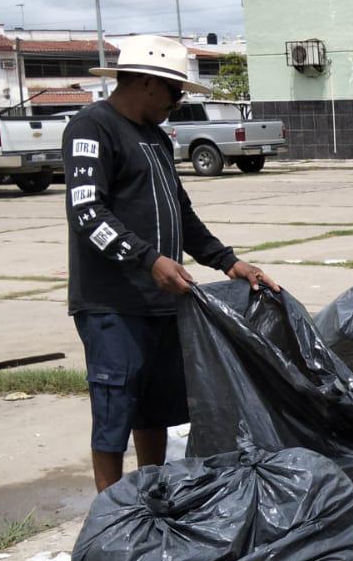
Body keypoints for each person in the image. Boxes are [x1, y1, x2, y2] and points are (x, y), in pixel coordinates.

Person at [66, 34, 277, 492]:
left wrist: (228, 262)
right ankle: (112, 515)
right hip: (112, 305)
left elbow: (181, 212)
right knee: (114, 410)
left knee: (155, 409)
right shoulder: (91, 129)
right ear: (145, 83)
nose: (178, 102)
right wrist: (148, 260)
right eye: (175, 92)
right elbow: (86, 213)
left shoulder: (156, 139)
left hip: (162, 303)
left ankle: (151, 493)